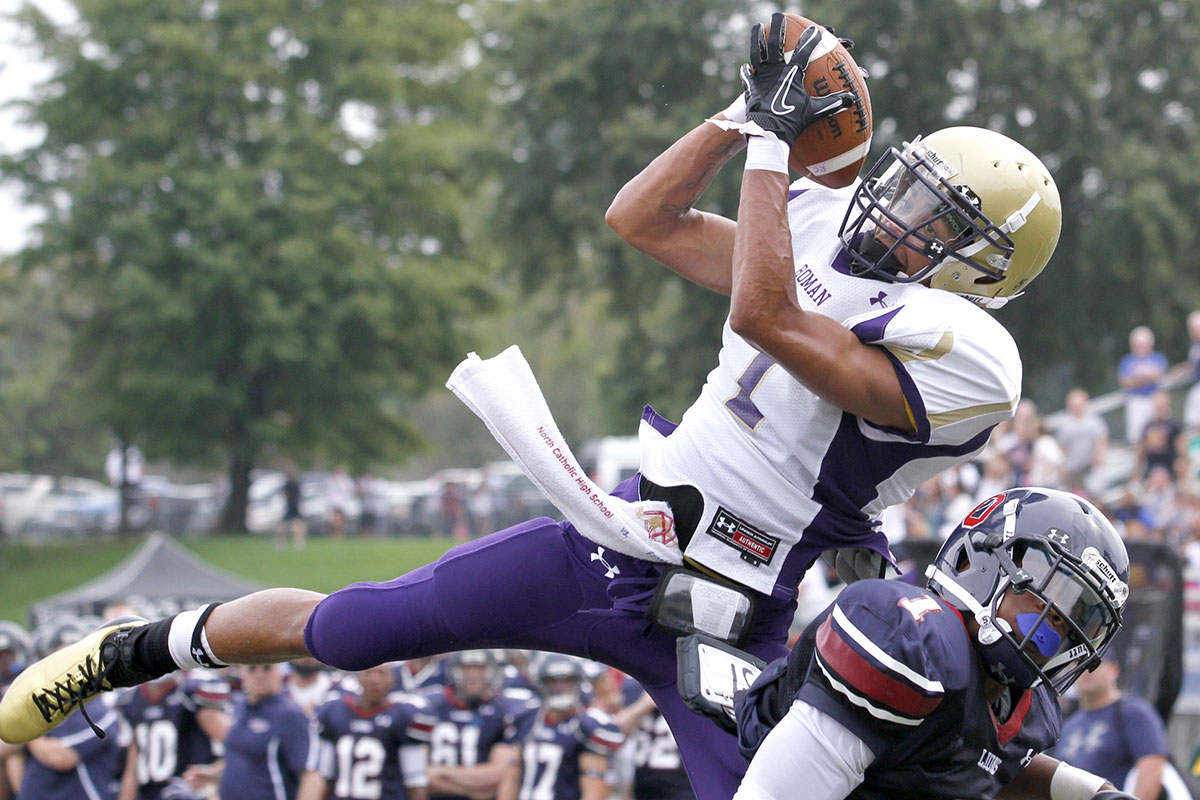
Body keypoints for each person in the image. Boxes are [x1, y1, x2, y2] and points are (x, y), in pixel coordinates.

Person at [0, 15, 1065, 799]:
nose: (902, 210)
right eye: (915, 186)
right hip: (611, 548)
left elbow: (768, 318)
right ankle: (126, 651)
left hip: (735, 615)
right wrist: (737, 121)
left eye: (941, 218)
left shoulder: (971, 356)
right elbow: (640, 217)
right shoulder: (831, 239)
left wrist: (780, 151)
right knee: (353, 624)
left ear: (984, 268)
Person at [722, 487, 1131, 800]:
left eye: (1083, 613)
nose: (1060, 619)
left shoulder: (1026, 712)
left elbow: (987, 763)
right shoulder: (914, 642)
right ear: (976, 561)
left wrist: (1096, 793)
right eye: (1050, 586)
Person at [1052, 656, 1191, 800]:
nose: (1087, 671)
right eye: (1079, 664)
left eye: (1095, 664)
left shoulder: (1133, 712)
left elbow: (1152, 766)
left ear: (1114, 670)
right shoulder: (1067, 725)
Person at [182, 663, 322, 800]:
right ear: (242, 671)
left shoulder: (290, 715)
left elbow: (311, 776)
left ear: (280, 671)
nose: (259, 675)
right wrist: (212, 774)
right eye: (252, 668)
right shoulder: (239, 707)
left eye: (267, 668)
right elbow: (244, 758)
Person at [499, 655, 624, 800]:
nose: (560, 688)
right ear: (542, 684)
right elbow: (512, 777)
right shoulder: (528, 718)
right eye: (553, 682)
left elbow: (594, 790)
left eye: (567, 681)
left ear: (577, 683)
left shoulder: (584, 725)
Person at [420, 650, 537, 800]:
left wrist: (440, 773)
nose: (474, 675)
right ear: (453, 670)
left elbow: (501, 773)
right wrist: (475, 792)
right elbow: (419, 775)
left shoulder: (504, 709)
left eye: (481, 668)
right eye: (467, 668)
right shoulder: (430, 705)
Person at [303, 663, 430, 800]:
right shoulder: (334, 711)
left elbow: (415, 779)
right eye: (368, 672)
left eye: (381, 673)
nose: (374, 679)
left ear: (392, 680)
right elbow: (326, 775)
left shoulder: (403, 716)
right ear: (358, 677)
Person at [115, 671, 231, 800]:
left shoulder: (191, 693)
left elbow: (239, 749)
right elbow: (132, 769)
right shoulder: (131, 701)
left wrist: (213, 773)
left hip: (190, 793)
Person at [1053, 389, 1109, 493]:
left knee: (1094, 490)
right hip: (1072, 467)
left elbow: (1101, 441)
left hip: (1090, 465)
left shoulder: (1094, 422)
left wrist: (1099, 456)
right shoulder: (1065, 425)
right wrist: (1062, 466)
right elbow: (1062, 447)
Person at [1119, 326, 1168, 444]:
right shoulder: (1127, 360)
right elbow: (1125, 382)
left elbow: (1159, 375)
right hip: (1136, 400)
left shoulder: (1158, 358)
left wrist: (1137, 380)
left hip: (1154, 399)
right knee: (1137, 435)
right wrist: (1148, 378)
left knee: (1158, 433)